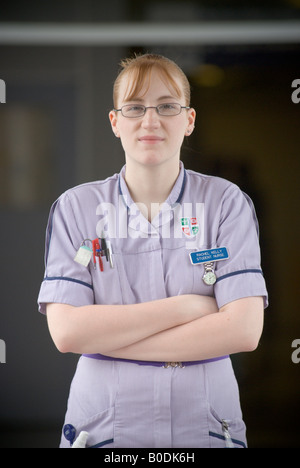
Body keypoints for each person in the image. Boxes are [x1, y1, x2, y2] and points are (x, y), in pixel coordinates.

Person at [37, 53, 268, 448]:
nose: (150, 120)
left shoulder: (226, 203)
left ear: (189, 120)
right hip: (106, 426)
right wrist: (188, 308)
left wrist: (109, 338)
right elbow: (67, 332)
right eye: (134, 107)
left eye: (166, 106)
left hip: (205, 424)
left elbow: (244, 331)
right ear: (115, 122)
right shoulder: (77, 209)